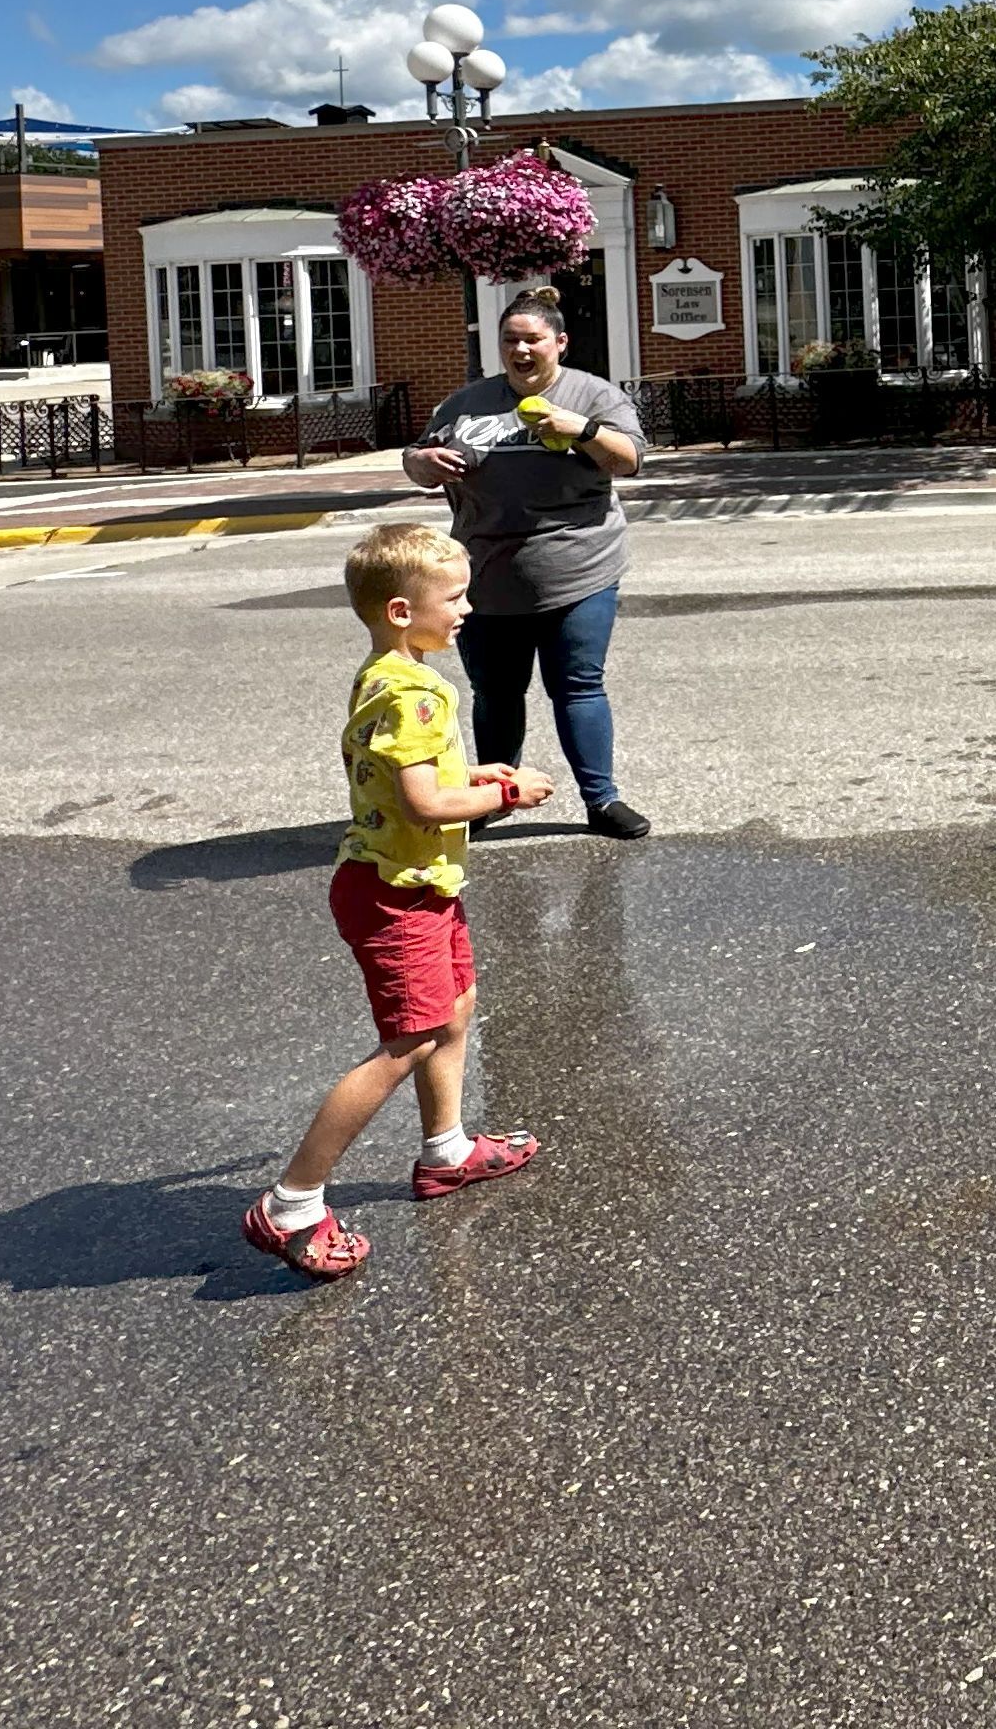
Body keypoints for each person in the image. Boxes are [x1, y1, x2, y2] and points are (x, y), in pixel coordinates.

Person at [245, 522, 550, 1280]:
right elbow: (422, 804)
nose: (469, 608)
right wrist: (504, 792)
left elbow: (414, 777)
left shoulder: (386, 673)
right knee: (408, 1039)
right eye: (455, 597)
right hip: (395, 892)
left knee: (454, 1008)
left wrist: (471, 769)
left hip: (418, 883)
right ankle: (292, 1200)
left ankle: (447, 1152)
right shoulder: (412, 691)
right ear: (401, 611)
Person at [406, 285, 653, 839]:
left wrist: (581, 430)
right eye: (510, 340)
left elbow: (633, 459)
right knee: (496, 692)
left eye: (532, 340)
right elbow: (416, 463)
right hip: (486, 574)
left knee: (578, 686)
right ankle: (492, 801)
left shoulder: (592, 395)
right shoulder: (466, 403)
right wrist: (424, 460)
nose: (521, 349)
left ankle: (601, 801)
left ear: (559, 343)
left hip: (578, 569)